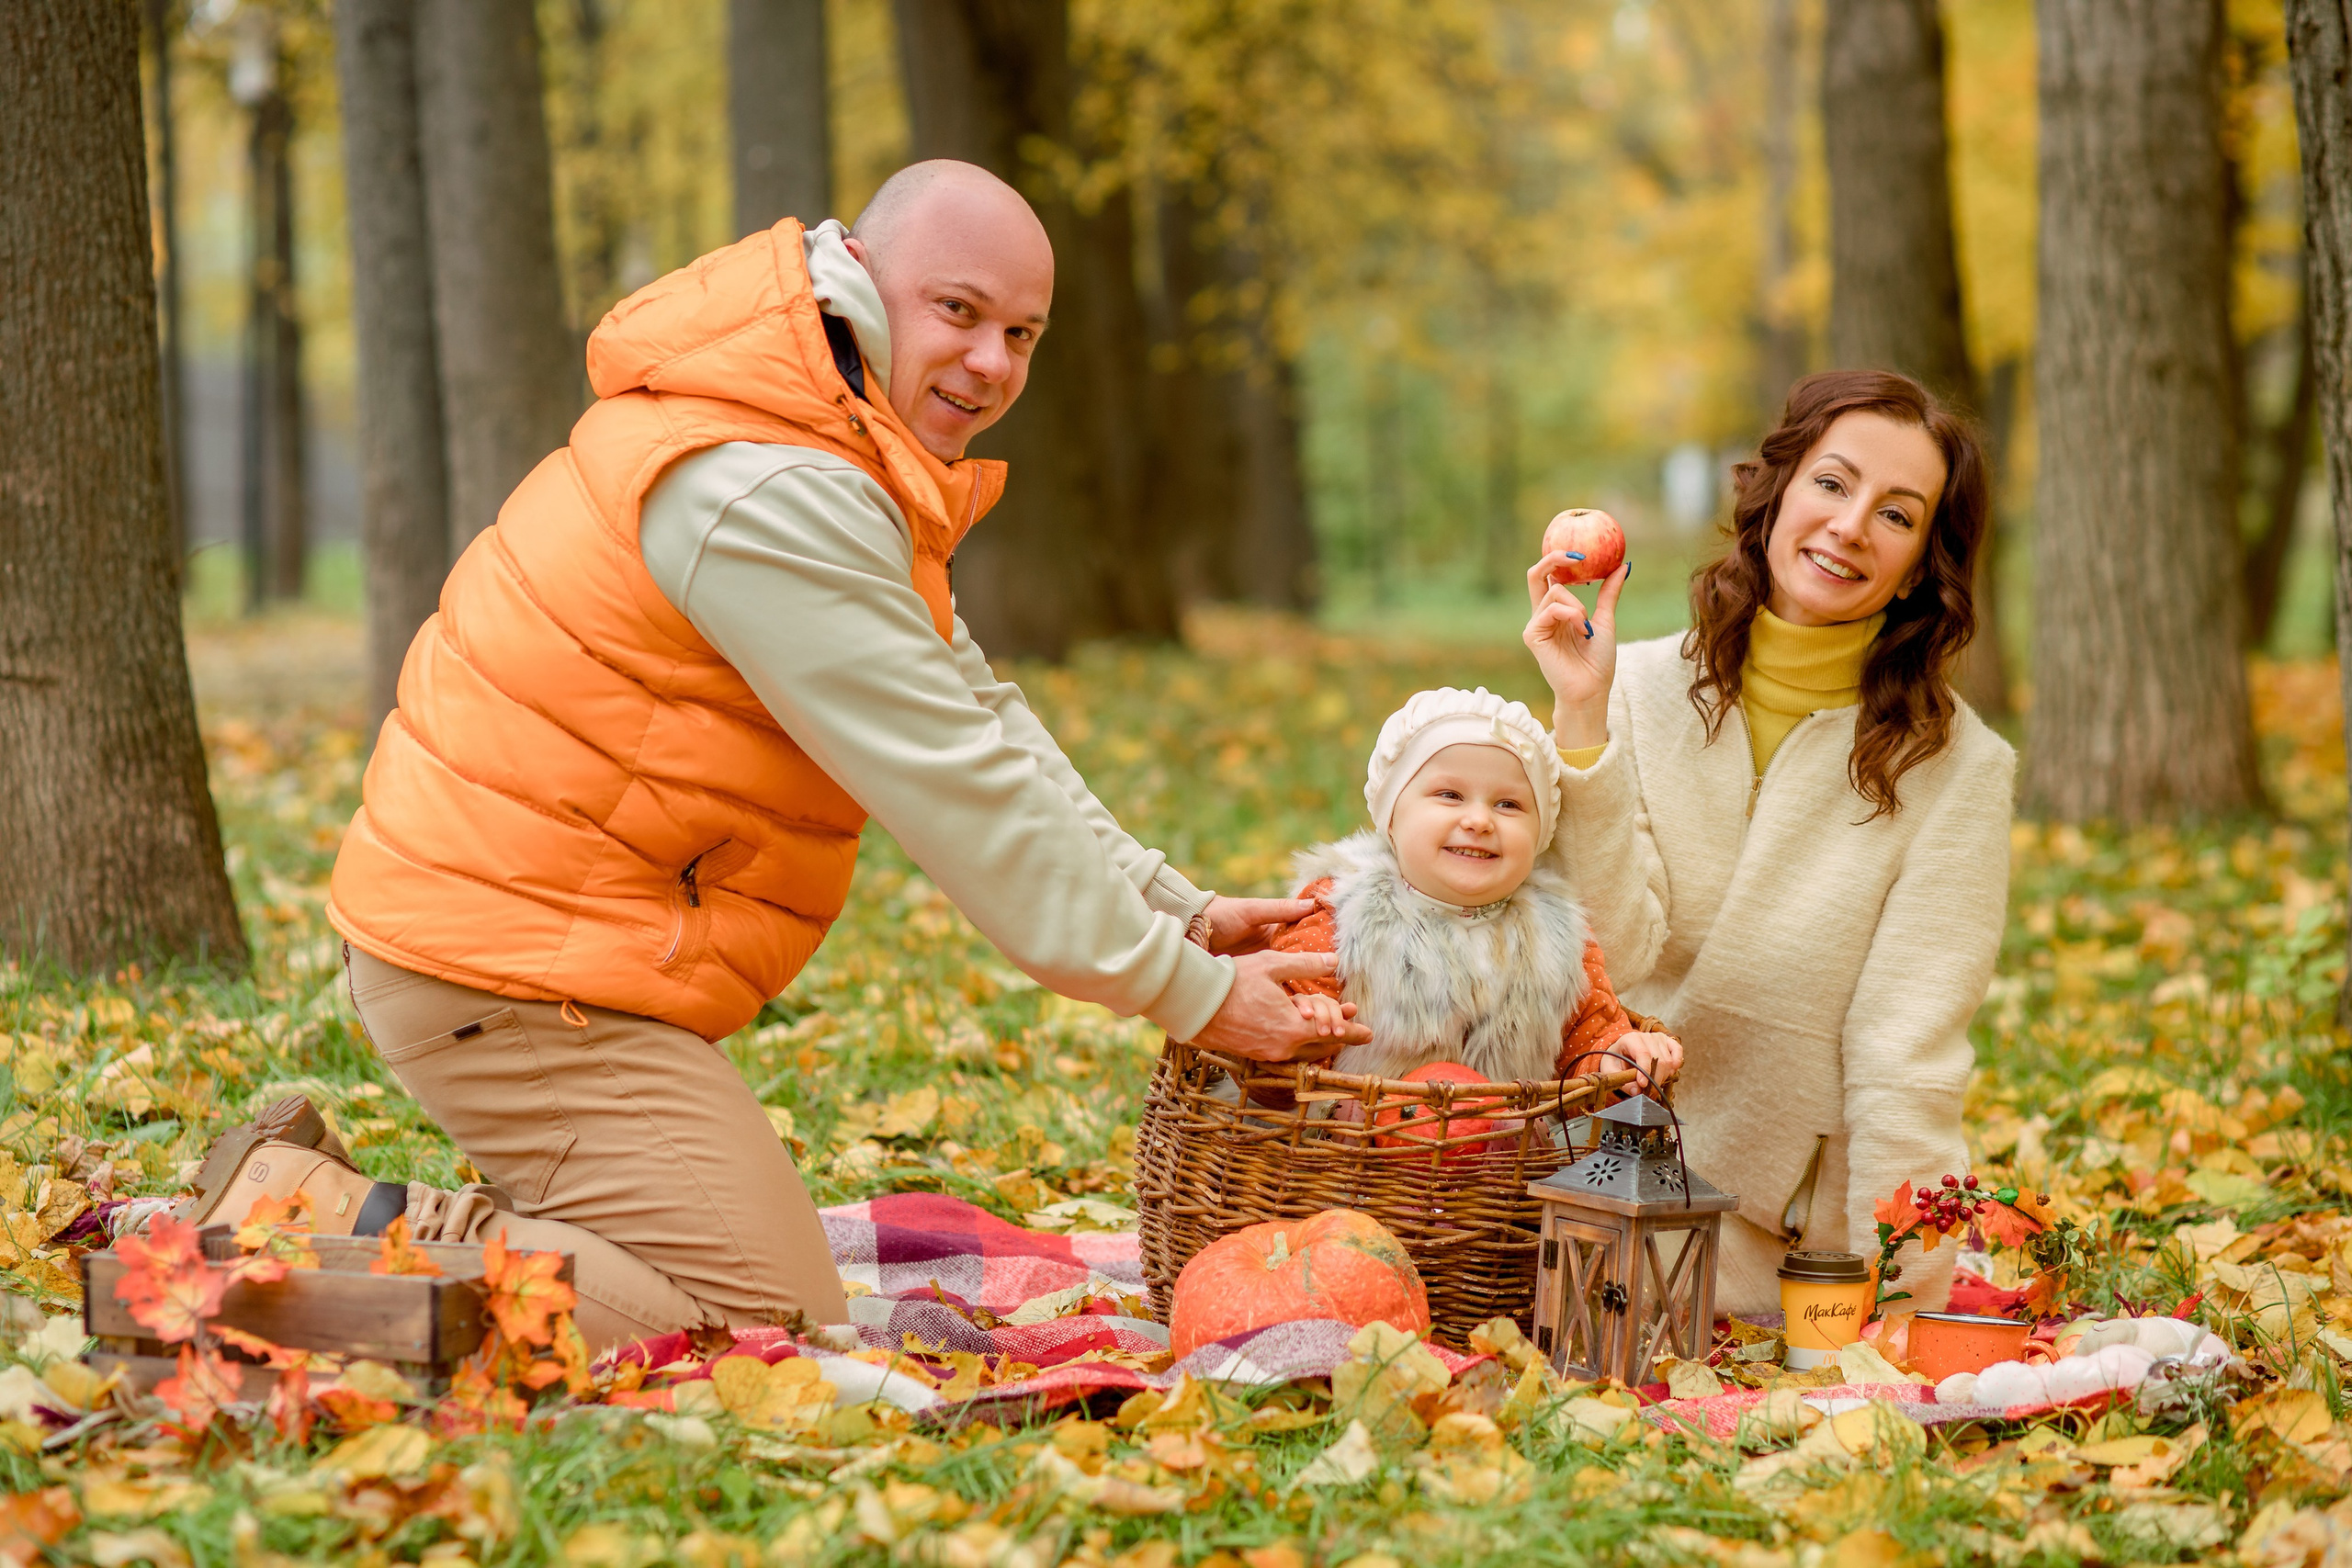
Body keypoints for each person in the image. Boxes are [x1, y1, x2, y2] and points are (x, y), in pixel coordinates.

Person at [171, 160, 1369, 1351]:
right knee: (756, 1327)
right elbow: (960, 788)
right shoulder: (775, 489)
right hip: (509, 974)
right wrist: (1193, 996)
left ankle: (440, 1221)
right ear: (863, 273)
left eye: (1021, 333)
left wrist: (1174, 905)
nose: (991, 362)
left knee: (754, 1300)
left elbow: (978, 712)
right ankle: (301, 1223)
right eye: (957, 310)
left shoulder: (831, 438)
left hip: (553, 949)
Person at [1523, 368, 2012, 1315]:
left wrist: (1902, 1298)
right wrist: (1581, 716)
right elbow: (1607, 962)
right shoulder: (1634, 690)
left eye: (1896, 514)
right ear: (1779, 491)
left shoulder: (1958, 768)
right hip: (1592, 1180)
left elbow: (1906, 1052)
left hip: (1783, 1249)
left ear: (1921, 563)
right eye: (1832, 483)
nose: (1849, 526)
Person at [1263, 687, 1684, 1091]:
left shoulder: (1561, 938)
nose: (1480, 821)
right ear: (1391, 816)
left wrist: (1615, 1060)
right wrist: (1302, 1026)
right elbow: (1273, 1070)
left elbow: (1584, 1051)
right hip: (1354, 1137)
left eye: (1508, 804)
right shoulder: (1336, 913)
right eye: (1450, 795)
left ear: (1540, 833)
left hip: (1507, 1141)